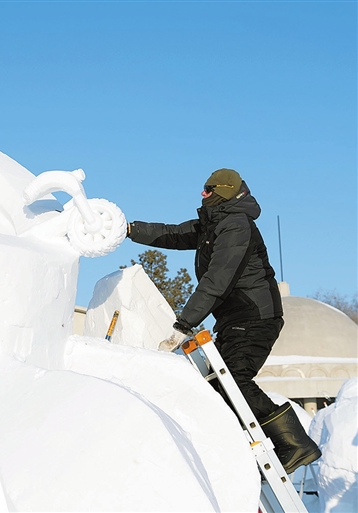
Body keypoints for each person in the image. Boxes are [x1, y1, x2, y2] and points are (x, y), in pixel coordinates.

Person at [126, 168, 321, 474]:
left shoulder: (236, 226)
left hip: (255, 316)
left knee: (234, 380)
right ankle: (238, 449)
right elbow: (173, 234)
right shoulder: (214, 223)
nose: (202, 193)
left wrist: (184, 324)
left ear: (223, 192)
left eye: (208, 189)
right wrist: (129, 229)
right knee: (218, 384)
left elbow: (217, 280)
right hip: (235, 319)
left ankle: (295, 444)